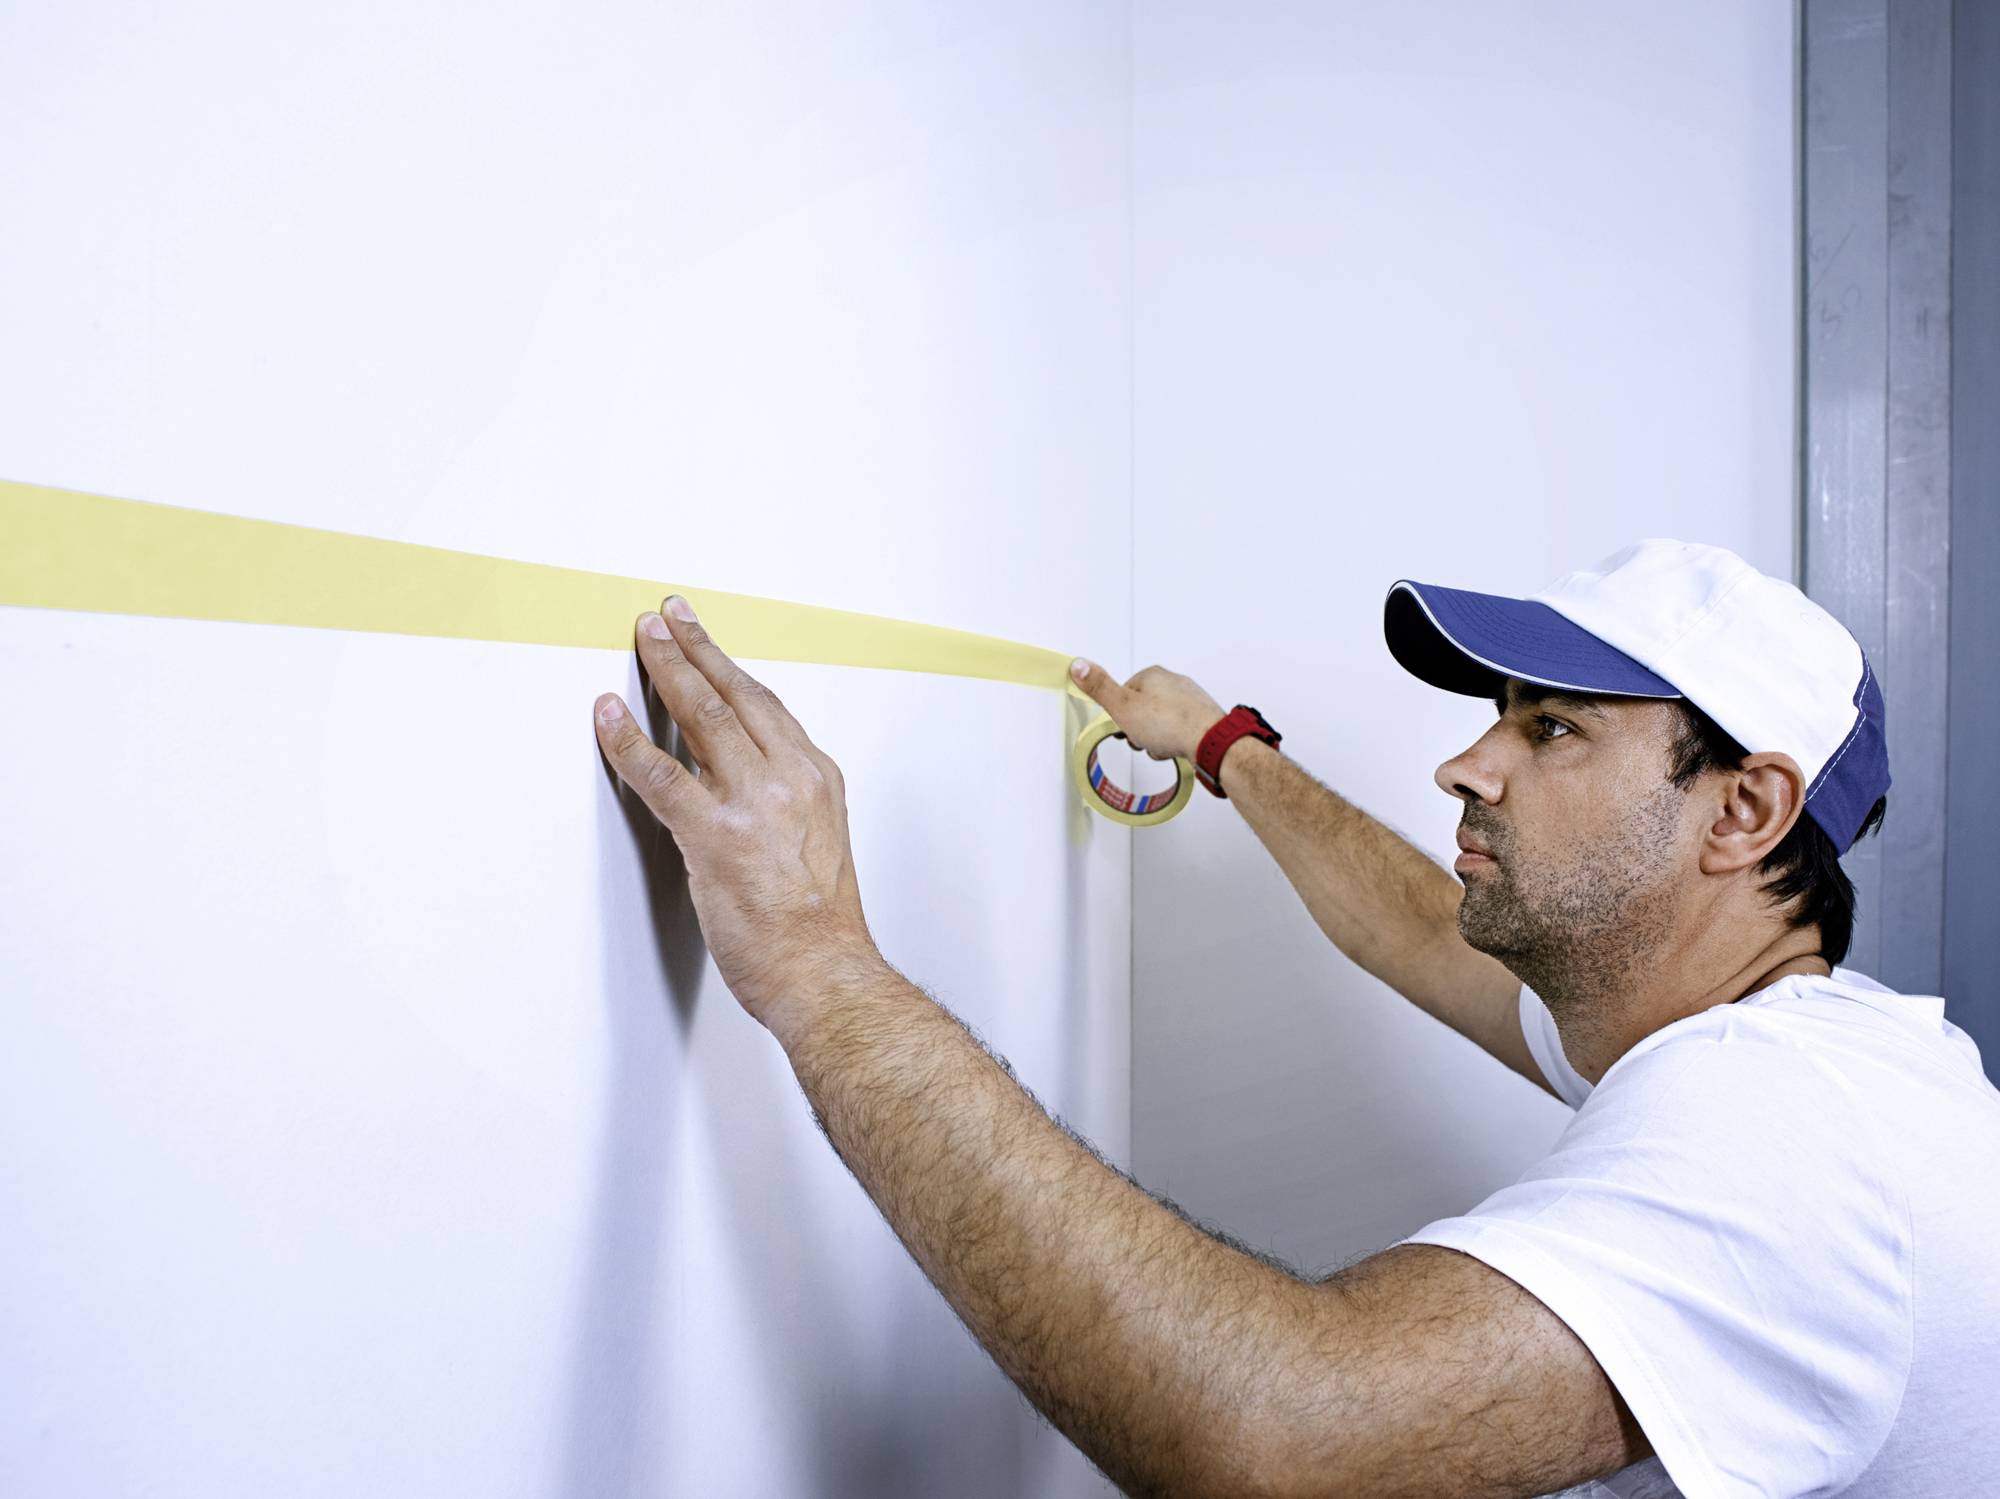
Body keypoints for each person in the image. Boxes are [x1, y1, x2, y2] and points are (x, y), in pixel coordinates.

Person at [591, 538, 1999, 1497]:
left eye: (1551, 730)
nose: (1466, 764)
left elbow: (1276, 1442)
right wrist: (1223, 748)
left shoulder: (1785, 1136)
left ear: (1744, 810)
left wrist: (826, 970)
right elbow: (1412, 924)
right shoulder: (1754, 1031)